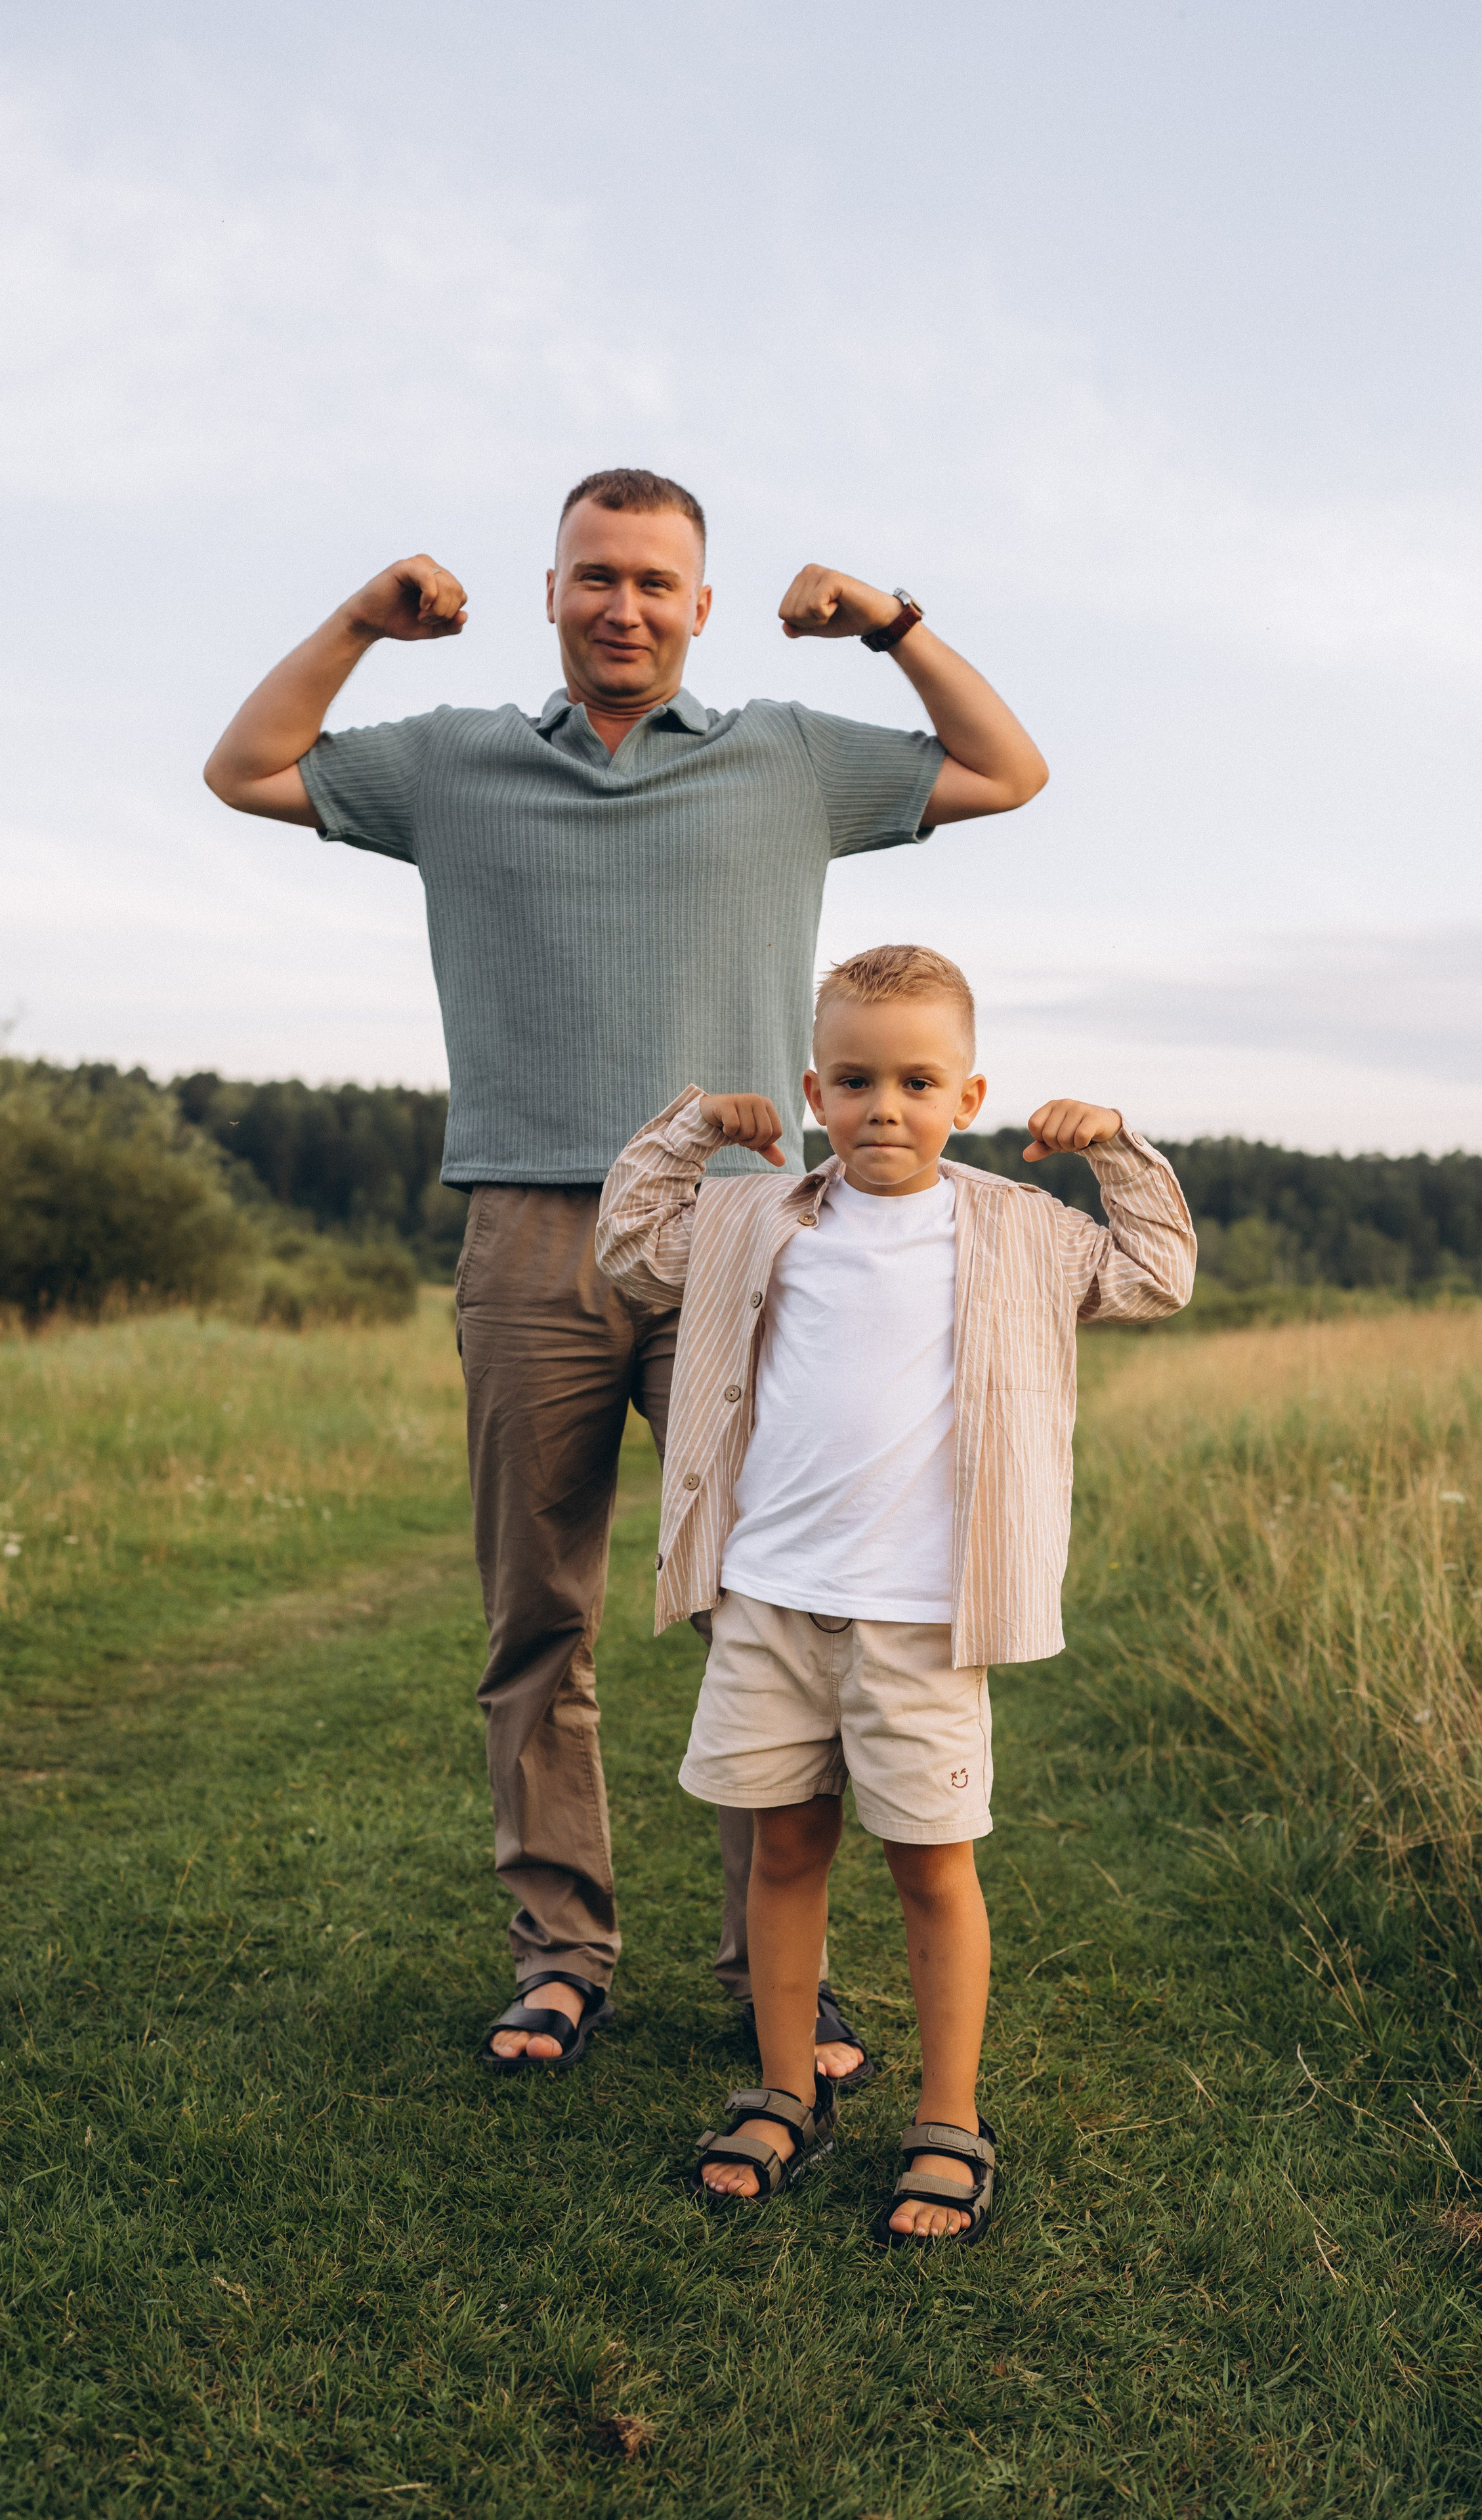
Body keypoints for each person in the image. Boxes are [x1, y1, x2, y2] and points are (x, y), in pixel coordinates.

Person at [202, 469, 1048, 2080]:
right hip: (527, 1229)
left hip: (734, 1237)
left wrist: (885, 621)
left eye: (657, 581)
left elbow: (1006, 769)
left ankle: (769, 1981)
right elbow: (246, 768)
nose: (624, 605)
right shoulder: (455, 762)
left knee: (760, 1604)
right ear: (551, 591)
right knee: (539, 1617)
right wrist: (363, 620)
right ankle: (560, 1955)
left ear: (700, 606)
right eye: (596, 575)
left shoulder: (783, 758)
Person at [594, 944, 1196, 2243]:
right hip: (769, 1600)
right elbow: (632, 1248)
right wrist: (695, 1132)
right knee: (782, 1850)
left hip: (922, 1616)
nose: (885, 1108)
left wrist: (1115, 1150)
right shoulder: (756, 1217)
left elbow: (1157, 1275)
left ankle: (947, 2118)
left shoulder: (1020, 1230)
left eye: (918, 1083)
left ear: (966, 1098)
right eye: (856, 1081)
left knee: (931, 1864)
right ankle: (782, 2091)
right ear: (815, 1092)